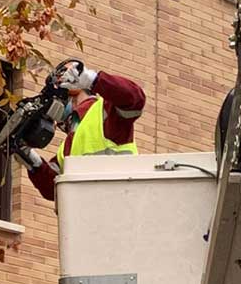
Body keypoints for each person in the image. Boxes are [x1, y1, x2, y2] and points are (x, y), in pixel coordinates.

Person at [14, 61, 146, 201]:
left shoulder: (105, 112)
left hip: (120, 203)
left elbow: (135, 98)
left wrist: (93, 79)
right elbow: (55, 189)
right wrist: (33, 162)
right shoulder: (70, 142)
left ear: (75, 89)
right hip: (86, 215)